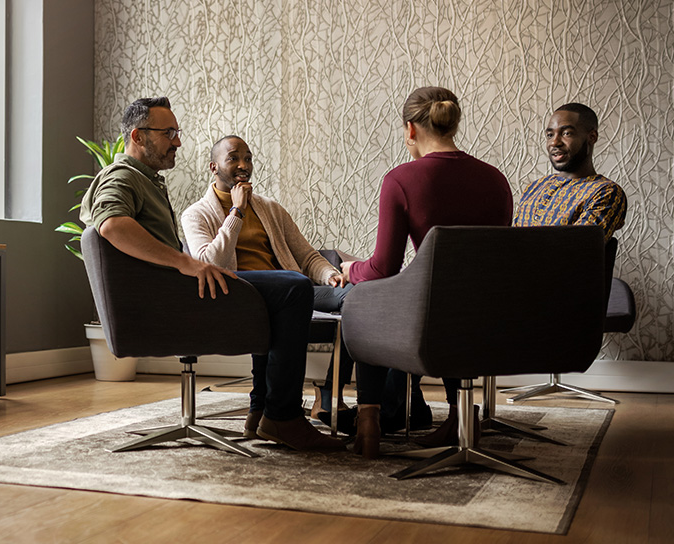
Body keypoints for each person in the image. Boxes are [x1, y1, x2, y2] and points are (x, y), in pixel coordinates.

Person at [80, 97, 344, 451]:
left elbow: (306, 253)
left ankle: (271, 411)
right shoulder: (124, 175)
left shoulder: (148, 181)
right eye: (168, 132)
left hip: (174, 294)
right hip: (171, 300)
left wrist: (329, 272)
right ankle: (281, 416)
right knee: (293, 288)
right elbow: (111, 225)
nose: (177, 141)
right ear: (138, 137)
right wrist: (187, 262)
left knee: (293, 288)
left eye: (178, 132)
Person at [340, 87, 513, 457]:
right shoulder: (496, 179)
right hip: (490, 317)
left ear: (410, 130)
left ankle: (368, 419)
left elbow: (383, 268)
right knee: (458, 293)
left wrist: (350, 268)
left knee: (367, 298)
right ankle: (459, 416)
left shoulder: (401, 179)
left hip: (430, 322)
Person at [180, 135, 353, 422]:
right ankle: (266, 409)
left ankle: (328, 394)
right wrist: (236, 211)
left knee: (358, 298)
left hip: (292, 289)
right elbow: (210, 263)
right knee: (278, 306)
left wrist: (330, 275)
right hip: (237, 294)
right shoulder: (196, 214)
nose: (243, 164)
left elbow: (306, 256)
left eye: (247, 158)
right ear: (214, 167)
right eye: (233, 157)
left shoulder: (270, 208)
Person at [514, 103, 626, 240]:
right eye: (550, 135)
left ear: (592, 137)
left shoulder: (605, 192)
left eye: (566, 133)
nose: (554, 142)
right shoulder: (534, 187)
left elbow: (576, 250)